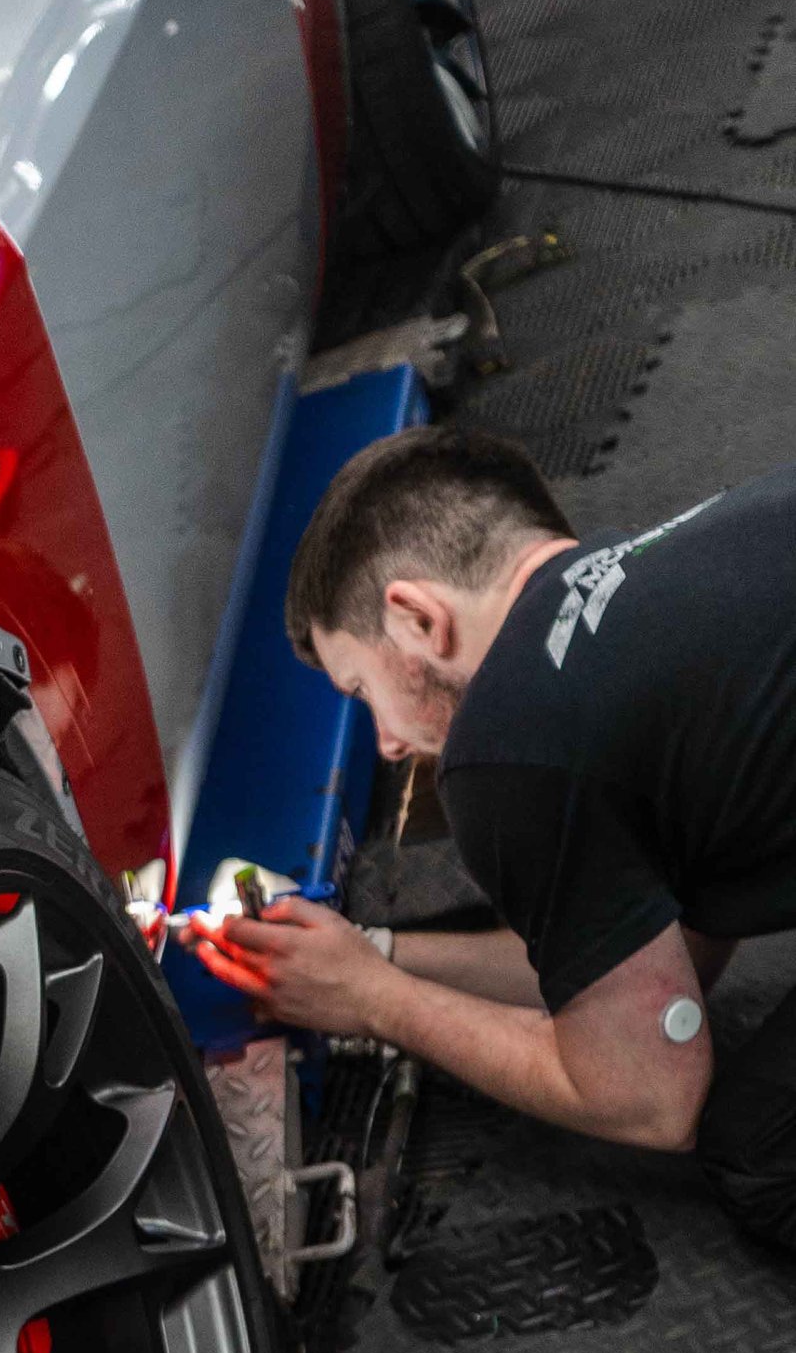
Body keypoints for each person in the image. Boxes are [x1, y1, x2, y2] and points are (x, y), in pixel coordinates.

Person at [189, 427, 796, 1249]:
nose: (388, 745)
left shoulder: (505, 743)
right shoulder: (654, 580)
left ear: (415, 619)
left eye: (362, 690)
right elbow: (651, 955)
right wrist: (372, 954)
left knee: (761, 1150)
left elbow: (655, 1098)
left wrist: (375, 1004)